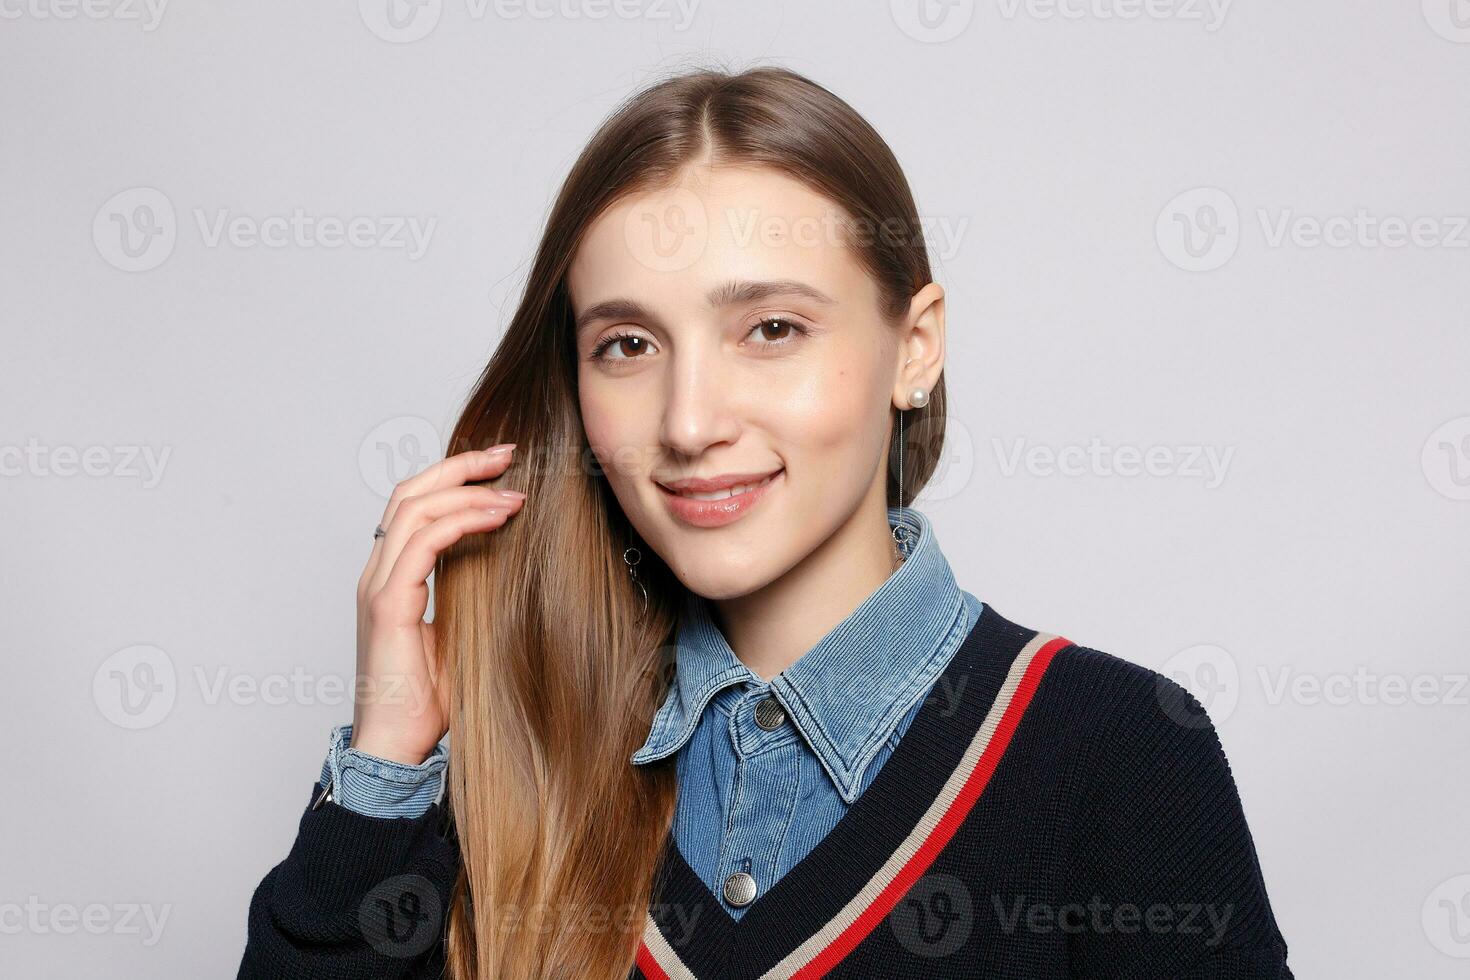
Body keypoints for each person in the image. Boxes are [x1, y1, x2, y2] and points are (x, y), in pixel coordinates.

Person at [237, 65, 1293, 979]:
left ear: (915, 345)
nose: (690, 422)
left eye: (771, 327)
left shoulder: (1118, 751)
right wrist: (384, 763)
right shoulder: (518, 767)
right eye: (628, 345)